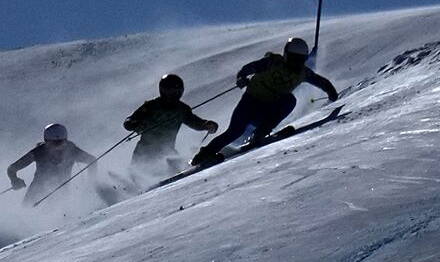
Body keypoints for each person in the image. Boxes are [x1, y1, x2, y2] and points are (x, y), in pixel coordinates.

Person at [191, 37, 337, 167]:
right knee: (234, 131)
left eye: (300, 60)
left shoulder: (303, 72)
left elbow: (321, 81)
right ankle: (205, 154)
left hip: (267, 110)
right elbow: (248, 68)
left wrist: (330, 92)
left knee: (289, 100)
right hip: (249, 104)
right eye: (293, 59)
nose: (295, 63)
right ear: (286, 55)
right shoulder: (272, 63)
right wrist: (241, 78)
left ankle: (261, 132)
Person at [123, 74, 219, 176]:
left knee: (175, 166)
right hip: (145, 150)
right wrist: (134, 124)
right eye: (169, 92)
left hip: (167, 151)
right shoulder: (151, 105)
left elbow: (194, 122)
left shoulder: (182, 109)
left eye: (176, 92)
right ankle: (128, 184)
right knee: (137, 173)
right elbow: (129, 121)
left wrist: (206, 125)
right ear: (162, 91)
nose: (172, 96)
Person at [7, 123, 97, 205]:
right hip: (36, 191)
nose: (58, 146)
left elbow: (92, 161)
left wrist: (90, 183)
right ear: (47, 142)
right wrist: (14, 180)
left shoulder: (72, 150)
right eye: (54, 143)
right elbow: (12, 169)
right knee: (27, 211)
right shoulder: (39, 152)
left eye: (61, 142)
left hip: (61, 191)